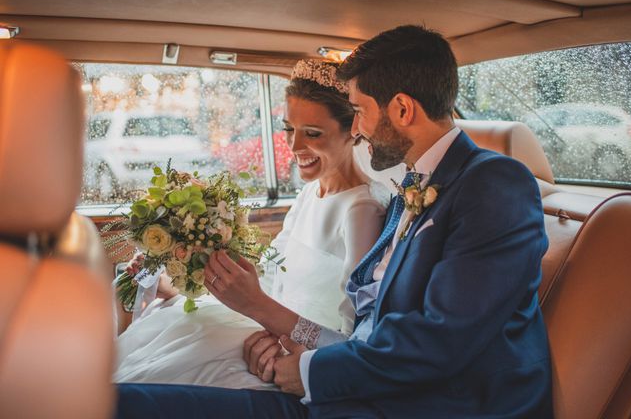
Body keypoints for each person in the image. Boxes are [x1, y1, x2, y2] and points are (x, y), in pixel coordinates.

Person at [117, 25, 552, 418]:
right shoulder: (410, 190)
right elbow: (366, 331)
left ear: (402, 109)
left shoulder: (494, 184)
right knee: (114, 402)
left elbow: (441, 341)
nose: (358, 130)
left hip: (434, 405)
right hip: (362, 391)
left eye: (360, 111)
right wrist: (290, 346)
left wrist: (310, 371)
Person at [114, 59, 388, 388]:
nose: (295, 146)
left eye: (312, 134)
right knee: (161, 337)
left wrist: (276, 331)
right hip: (260, 326)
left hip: (292, 353)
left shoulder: (362, 211)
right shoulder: (309, 193)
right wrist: (181, 285)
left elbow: (350, 342)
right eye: (289, 129)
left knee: (157, 375)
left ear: (352, 131)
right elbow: (272, 282)